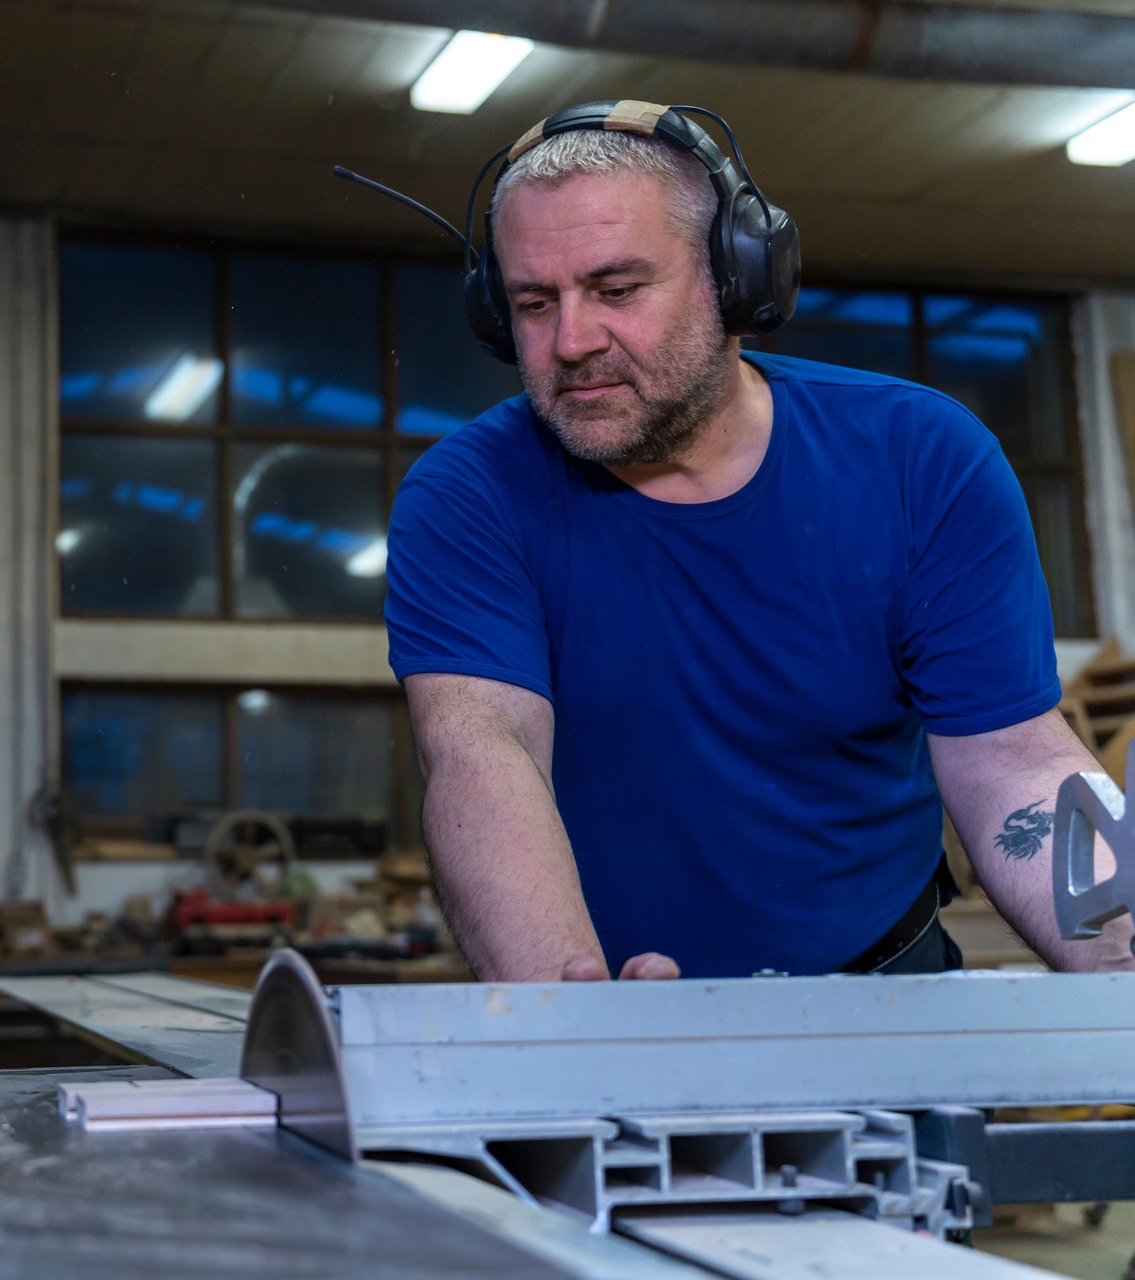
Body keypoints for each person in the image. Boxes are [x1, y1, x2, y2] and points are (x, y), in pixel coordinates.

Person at [386, 106, 1130, 981]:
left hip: (883, 992)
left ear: (738, 279)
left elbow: (1018, 763)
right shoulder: (468, 495)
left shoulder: (921, 458)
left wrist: (1115, 947)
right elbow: (484, 756)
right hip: (620, 1000)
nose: (572, 342)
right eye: (534, 303)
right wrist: (567, 1014)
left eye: (617, 290)